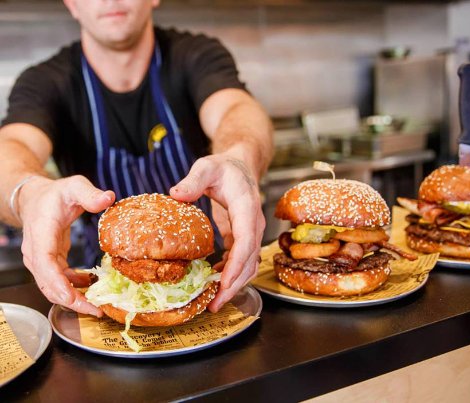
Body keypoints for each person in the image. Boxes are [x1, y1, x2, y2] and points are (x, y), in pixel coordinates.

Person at [0, 0, 273, 317]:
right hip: (102, 289)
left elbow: (236, 109)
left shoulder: (195, 54)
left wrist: (239, 158)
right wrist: (29, 193)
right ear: (71, 4)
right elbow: (13, 143)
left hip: (218, 277)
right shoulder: (46, 82)